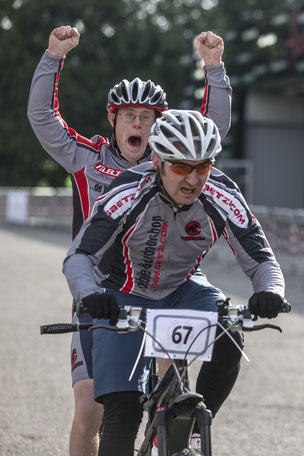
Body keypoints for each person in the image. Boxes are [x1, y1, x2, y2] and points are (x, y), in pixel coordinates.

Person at [27, 26, 232, 456]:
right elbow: (43, 118)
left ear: (161, 126)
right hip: (103, 292)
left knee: (173, 388)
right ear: (113, 120)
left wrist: (214, 68)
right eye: (128, 116)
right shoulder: (88, 160)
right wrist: (53, 57)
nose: (137, 124)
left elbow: (211, 129)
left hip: (165, 285)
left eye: (147, 118)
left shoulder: (173, 165)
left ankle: (171, 439)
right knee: (89, 409)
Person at [63, 109, 286, 456]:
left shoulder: (221, 193)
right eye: (182, 167)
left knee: (230, 332)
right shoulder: (128, 192)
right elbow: (79, 256)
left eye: (203, 167)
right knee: (122, 414)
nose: (193, 180)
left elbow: (261, 260)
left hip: (182, 288)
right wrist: (90, 294)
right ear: (157, 161)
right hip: (121, 292)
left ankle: (193, 428)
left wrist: (270, 291)